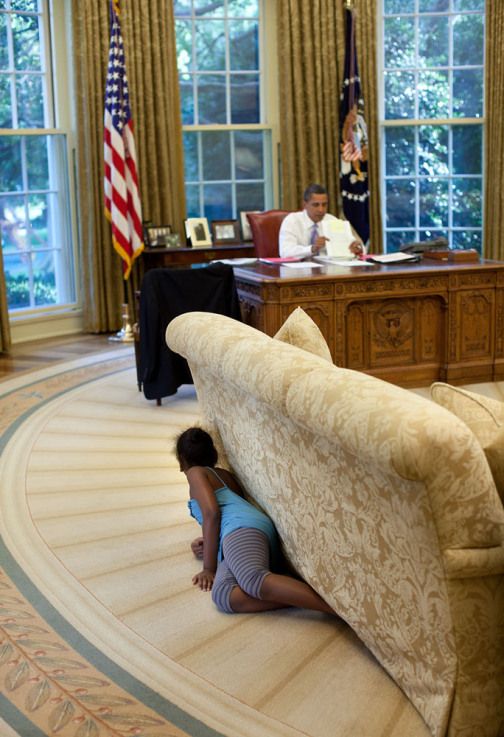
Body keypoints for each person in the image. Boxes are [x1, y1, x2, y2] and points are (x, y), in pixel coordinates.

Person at [176, 426, 334, 615]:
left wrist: (209, 568)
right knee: (224, 595)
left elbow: (212, 514)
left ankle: (339, 611)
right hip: (251, 528)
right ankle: (294, 594)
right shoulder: (224, 475)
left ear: (181, 460)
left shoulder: (195, 473)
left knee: (252, 580)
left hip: (240, 528)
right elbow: (234, 508)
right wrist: (210, 542)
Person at [278, 183, 363, 259]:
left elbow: (355, 246)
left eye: (324, 205)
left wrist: (357, 249)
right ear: (305, 205)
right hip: (298, 269)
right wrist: (312, 248)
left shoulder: (333, 221)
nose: (321, 210)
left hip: (327, 269)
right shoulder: (292, 221)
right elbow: (285, 252)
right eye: (316, 205)